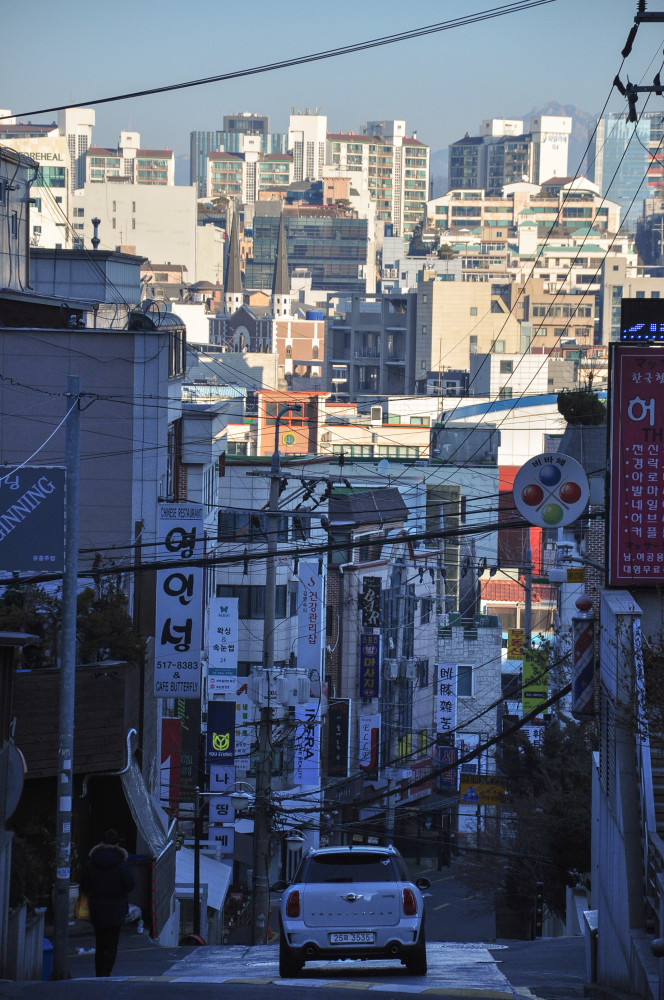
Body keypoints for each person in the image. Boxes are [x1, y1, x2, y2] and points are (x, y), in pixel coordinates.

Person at [79, 828, 135, 977]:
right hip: (116, 909)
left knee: (100, 943)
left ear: (101, 843)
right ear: (117, 844)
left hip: (97, 907)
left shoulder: (92, 862)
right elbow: (129, 885)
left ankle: (99, 974)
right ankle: (106, 973)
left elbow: (84, 886)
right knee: (112, 944)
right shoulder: (122, 864)